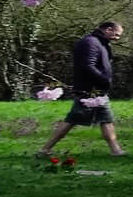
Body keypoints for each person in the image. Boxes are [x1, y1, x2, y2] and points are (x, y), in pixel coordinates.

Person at [38, 21, 127, 157]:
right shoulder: (90, 42)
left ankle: (116, 150)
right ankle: (45, 149)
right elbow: (88, 66)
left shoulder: (101, 43)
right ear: (108, 30)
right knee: (72, 120)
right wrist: (104, 79)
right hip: (89, 90)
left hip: (98, 90)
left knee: (106, 119)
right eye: (116, 34)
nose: (117, 38)